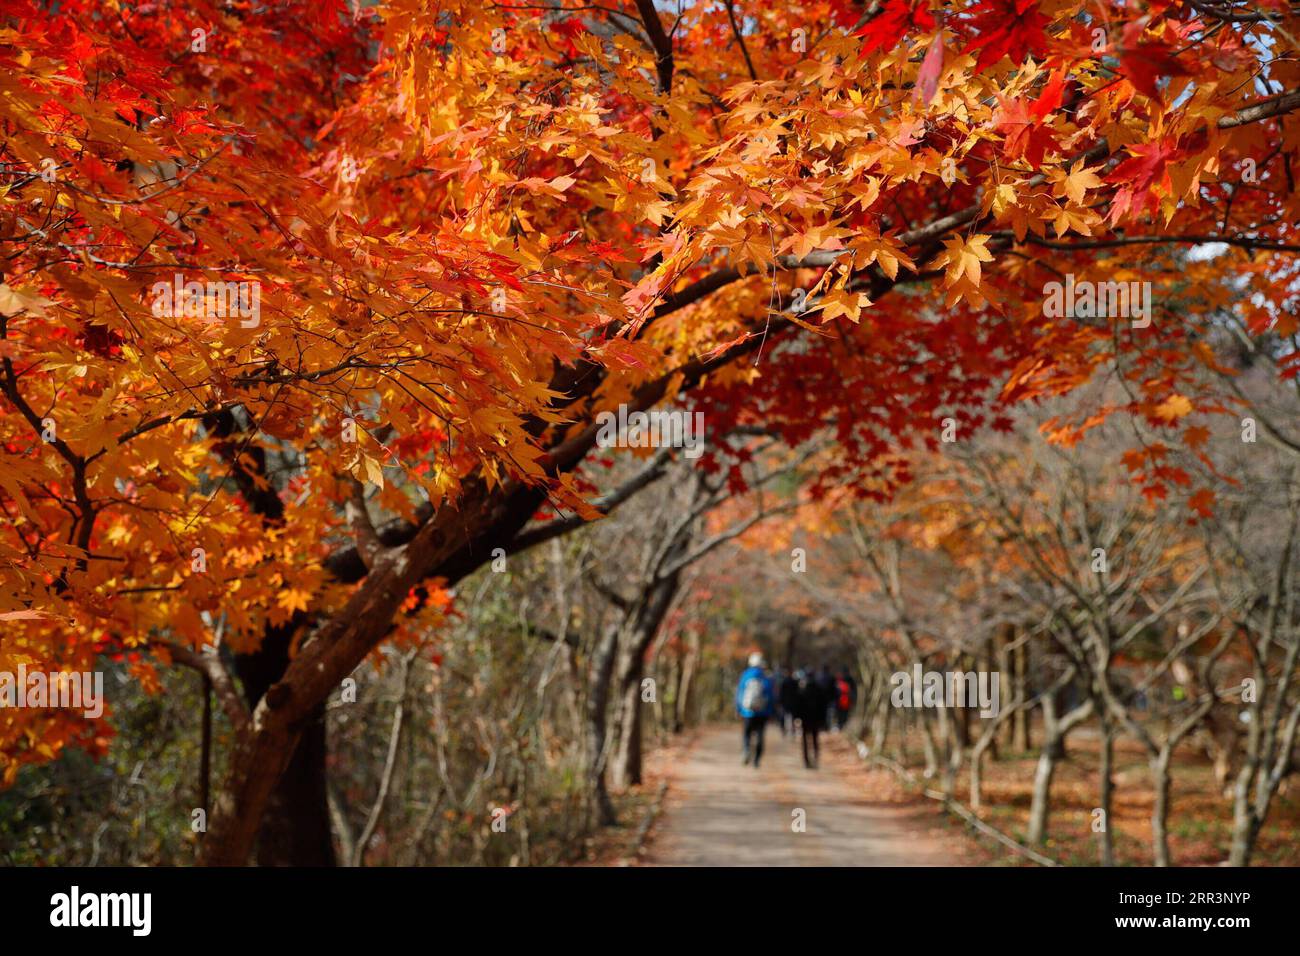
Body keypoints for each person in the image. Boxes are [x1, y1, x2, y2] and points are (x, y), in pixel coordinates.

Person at [735, 652, 774, 767]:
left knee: (747, 734)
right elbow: (770, 696)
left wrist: (738, 708)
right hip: (763, 712)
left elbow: (739, 694)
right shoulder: (765, 677)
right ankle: (757, 759)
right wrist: (771, 711)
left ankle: (746, 751)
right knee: (760, 735)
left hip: (747, 711)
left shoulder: (745, 676)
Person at [793, 668, 829, 769]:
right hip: (816, 719)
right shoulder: (819, 689)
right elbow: (824, 706)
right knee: (815, 739)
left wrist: (797, 718)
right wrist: (823, 719)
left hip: (805, 719)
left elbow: (797, 705)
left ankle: (806, 760)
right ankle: (815, 757)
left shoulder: (802, 689)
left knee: (805, 739)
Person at [779, 668, 799, 737]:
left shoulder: (784, 682)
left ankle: (784, 730)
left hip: (785, 702)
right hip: (793, 702)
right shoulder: (794, 682)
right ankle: (792, 731)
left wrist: (780, 701)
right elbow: (797, 693)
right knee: (792, 717)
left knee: (784, 717)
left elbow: (781, 693)